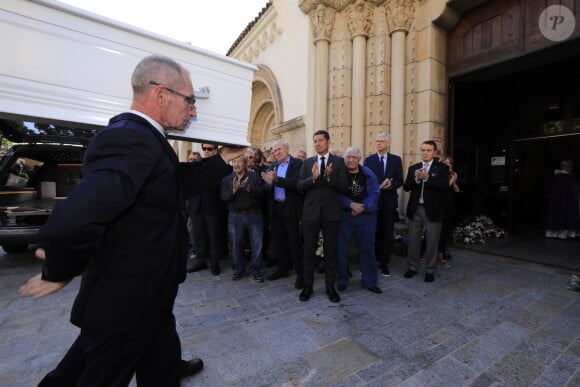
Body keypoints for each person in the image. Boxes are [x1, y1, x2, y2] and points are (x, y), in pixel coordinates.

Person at [19, 55, 203, 386]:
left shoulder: (146, 139)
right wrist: (60, 269)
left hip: (149, 293)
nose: (194, 111)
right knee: (88, 374)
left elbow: (171, 182)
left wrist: (221, 162)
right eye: (190, 100)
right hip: (127, 303)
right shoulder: (132, 138)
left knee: (159, 358)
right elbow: (74, 220)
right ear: (160, 94)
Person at [297, 130, 348, 302]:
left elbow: (344, 187)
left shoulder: (339, 162)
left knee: (331, 252)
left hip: (331, 214)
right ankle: (307, 288)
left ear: (328, 142)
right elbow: (299, 186)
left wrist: (329, 178)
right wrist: (313, 178)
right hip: (310, 214)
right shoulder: (307, 163)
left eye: (320, 140)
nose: (317, 143)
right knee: (308, 251)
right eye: (315, 141)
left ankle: (330, 288)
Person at [336, 146, 382, 294]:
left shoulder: (368, 173)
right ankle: (342, 280)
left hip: (365, 217)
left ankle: (370, 281)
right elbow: (334, 193)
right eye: (348, 157)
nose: (350, 160)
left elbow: (375, 192)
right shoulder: (339, 174)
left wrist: (363, 207)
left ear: (359, 159)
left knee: (367, 250)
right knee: (341, 250)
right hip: (344, 217)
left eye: (353, 157)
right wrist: (350, 204)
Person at [402, 140, 449, 283]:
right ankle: (412, 267)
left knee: (432, 242)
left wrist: (427, 178)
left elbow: (443, 187)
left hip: (433, 210)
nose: (425, 153)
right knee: (413, 241)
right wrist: (416, 179)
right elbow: (406, 187)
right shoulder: (413, 167)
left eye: (428, 150)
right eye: (423, 150)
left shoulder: (441, 168)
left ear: (434, 152)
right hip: (416, 209)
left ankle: (430, 270)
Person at [261, 139, 303, 284]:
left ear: (287, 149)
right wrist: (268, 183)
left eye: (279, 150)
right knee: (279, 241)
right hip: (276, 208)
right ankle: (283, 269)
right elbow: (267, 189)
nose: (276, 153)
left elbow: (297, 184)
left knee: (294, 242)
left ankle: (300, 274)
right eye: (274, 151)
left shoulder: (298, 163)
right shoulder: (272, 166)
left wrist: (277, 179)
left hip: (290, 208)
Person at [185, 142, 231, 275]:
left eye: (209, 149)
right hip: (196, 206)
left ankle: (214, 263)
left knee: (214, 237)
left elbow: (221, 185)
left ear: (216, 150)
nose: (206, 151)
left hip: (213, 207)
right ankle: (201, 261)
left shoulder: (224, 168)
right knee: (198, 236)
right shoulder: (196, 166)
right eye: (204, 148)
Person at [363, 132, 403, 276]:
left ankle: (384, 263)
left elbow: (400, 180)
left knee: (387, 233)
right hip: (374, 203)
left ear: (388, 144)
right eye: (377, 141)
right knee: (373, 232)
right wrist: (378, 186)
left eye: (381, 141)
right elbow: (365, 180)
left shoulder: (396, 160)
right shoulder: (369, 160)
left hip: (389, 203)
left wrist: (391, 184)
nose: (378, 143)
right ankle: (371, 261)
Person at [220, 155, 265, 281]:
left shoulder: (254, 176)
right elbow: (223, 197)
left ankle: (255, 270)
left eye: (239, 162)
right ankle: (239, 269)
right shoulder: (227, 179)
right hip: (235, 217)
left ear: (245, 164)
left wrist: (249, 188)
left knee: (257, 244)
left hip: (254, 215)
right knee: (236, 244)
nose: (236, 164)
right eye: (234, 162)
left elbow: (262, 193)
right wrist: (233, 191)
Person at [545, 160, 580, 239]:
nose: (571, 168)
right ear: (564, 167)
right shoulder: (563, 177)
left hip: (564, 200)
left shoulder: (562, 176)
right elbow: (569, 189)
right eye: (569, 166)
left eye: (571, 166)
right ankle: (561, 233)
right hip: (565, 201)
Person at [437, 155, 461, 267]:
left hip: (449, 206)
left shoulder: (452, 175)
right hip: (439, 207)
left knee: (445, 232)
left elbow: (457, 190)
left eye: (450, 163)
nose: (448, 165)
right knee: (436, 232)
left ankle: (441, 255)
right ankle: (428, 255)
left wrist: (454, 180)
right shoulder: (438, 174)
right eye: (446, 163)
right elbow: (443, 188)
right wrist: (451, 180)